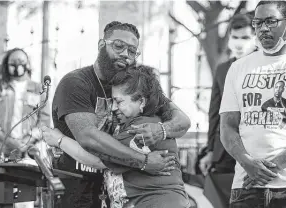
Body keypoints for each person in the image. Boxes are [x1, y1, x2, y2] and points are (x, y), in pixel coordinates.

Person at [50, 21, 191, 208]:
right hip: (77, 188)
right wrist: (144, 161)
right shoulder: (76, 83)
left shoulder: (136, 86)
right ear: (101, 45)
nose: (125, 54)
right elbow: (88, 137)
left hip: (121, 192)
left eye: (132, 51)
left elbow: (183, 120)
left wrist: (161, 130)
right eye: (119, 46)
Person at [220, 1, 286, 207]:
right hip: (245, 186)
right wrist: (247, 163)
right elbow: (227, 126)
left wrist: (272, 167)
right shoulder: (237, 68)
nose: (263, 28)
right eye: (258, 22)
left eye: (271, 21)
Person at [0, 48, 51, 207]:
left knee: (24, 201)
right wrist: (10, 141)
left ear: (27, 64)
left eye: (21, 62)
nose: (17, 66)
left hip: (27, 152)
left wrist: (26, 142)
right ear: (7, 65)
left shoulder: (39, 89)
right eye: (13, 63)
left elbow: (45, 122)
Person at [200, 13, 257, 176]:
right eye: (235, 37)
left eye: (245, 37)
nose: (239, 43)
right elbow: (214, 112)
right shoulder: (222, 69)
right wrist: (210, 150)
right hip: (224, 152)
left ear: (255, 38)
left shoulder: (265, 67)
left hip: (254, 150)